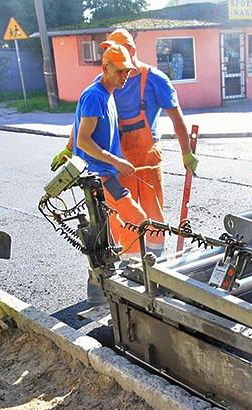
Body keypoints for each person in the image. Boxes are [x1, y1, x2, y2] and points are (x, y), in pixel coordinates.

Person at [52, 28, 198, 255]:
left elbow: (177, 118)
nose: (123, 74)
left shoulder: (154, 79)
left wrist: (186, 152)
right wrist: (70, 148)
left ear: (131, 50)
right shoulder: (102, 87)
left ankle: (156, 257)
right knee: (124, 216)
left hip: (146, 156)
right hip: (115, 159)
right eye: (110, 53)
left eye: (116, 51)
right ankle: (131, 261)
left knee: (152, 211)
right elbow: (83, 123)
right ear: (107, 67)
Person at [60, 43, 149, 256]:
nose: (124, 75)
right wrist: (115, 161)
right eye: (119, 70)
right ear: (105, 68)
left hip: (104, 174)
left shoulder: (108, 94)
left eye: (127, 70)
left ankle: (110, 269)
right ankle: (132, 266)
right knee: (137, 219)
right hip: (97, 176)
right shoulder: (95, 96)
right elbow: (83, 140)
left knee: (111, 227)